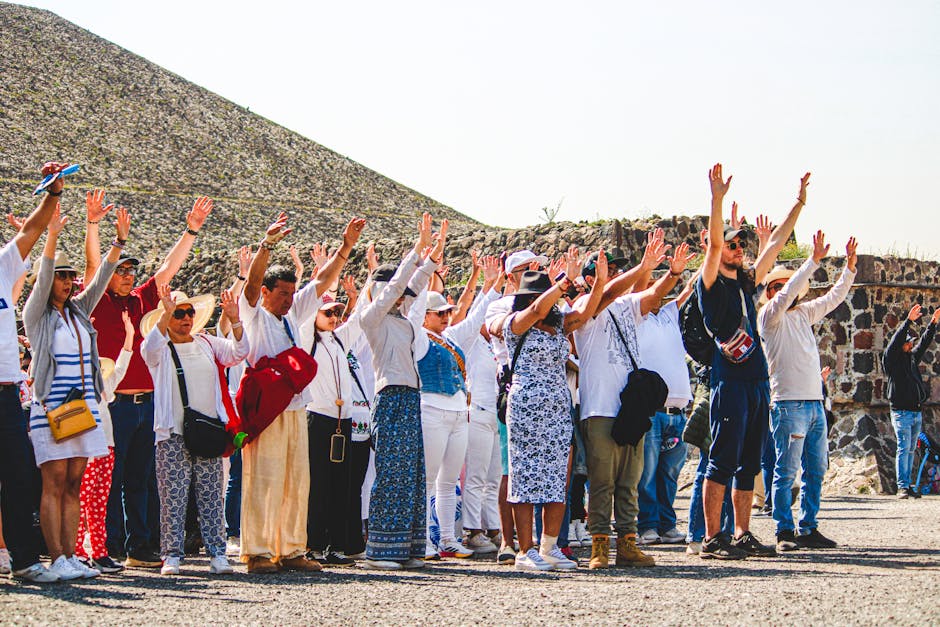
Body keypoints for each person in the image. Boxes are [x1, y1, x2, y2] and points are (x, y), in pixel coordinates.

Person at [87, 193, 214, 568]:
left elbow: (168, 269)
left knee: (142, 480)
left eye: (131, 271)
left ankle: (139, 546)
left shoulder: (140, 301)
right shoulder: (98, 300)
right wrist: (95, 226)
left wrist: (191, 231)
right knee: (111, 478)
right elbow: (94, 265)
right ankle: (109, 545)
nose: (128, 276)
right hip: (115, 404)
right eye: (121, 270)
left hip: (148, 402)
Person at [696, 163, 810, 559]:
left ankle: (742, 532)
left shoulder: (745, 282)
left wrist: (798, 204)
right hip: (729, 379)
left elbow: (775, 244)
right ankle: (712, 538)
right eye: (733, 245)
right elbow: (713, 246)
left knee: (748, 464)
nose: (738, 249)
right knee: (721, 460)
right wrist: (716, 200)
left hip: (757, 379)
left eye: (740, 244)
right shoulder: (710, 282)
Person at [238, 212, 363, 574]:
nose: (289, 300)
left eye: (292, 294)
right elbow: (251, 284)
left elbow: (322, 282)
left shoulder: (293, 315)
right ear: (267, 293)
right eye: (282, 294)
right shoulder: (254, 313)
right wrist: (267, 245)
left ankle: (291, 549)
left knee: (296, 481)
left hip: (295, 407)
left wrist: (346, 247)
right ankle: (259, 552)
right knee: (264, 479)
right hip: (266, 409)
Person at [573, 237, 695, 570]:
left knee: (629, 481)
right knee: (602, 481)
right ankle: (599, 544)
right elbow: (607, 293)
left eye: (615, 270)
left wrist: (672, 273)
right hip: (599, 408)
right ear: (590, 277)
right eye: (606, 270)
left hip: (630, 408)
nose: (613, 275)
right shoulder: (584, 303)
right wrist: (642, 267)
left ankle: (627, 544)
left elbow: (654, 296)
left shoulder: (627, 305)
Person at [24, 203, 130, 580]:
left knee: (74, 484)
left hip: (84, 410)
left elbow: (100, 280)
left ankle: (71, 557)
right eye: (61, 277)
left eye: (70, 277)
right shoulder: (37, 315)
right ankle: (55, 557)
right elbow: (41, 282)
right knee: (53, 483)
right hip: (52, 409)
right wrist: (51, 236)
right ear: (47, 280)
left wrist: (118, 243)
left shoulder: (78, 312)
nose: (68, 283)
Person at [499, 249, 609, 572]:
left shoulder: (559, 324)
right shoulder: (514, 324)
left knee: (556, 478)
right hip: (526, 408)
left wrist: (599, 283)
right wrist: (561, 284)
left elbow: (586, 313)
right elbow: (535, 309)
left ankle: (549, 547)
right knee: (524, 478)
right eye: (538, 295)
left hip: (558, 409)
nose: (544, 302)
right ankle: (525, 551)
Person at [758, 231, 857, 551]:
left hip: (815, 404)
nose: (779, 290)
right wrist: (813, 261)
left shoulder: (802, 314)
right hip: (788, 405)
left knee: (816, 471)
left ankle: (808, 527)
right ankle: (784, 530)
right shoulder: (768, 318)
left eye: (782, 285)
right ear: (767, 294)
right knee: (786, 472)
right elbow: (787, 294)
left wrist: (850, 269)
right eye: (773, 287)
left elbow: (833, 298)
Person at [141, 285, 248, 575]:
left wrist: (235, 320)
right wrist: (164, 315)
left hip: (208, 430)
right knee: (172, 498)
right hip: (172, 433)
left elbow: (239, 352)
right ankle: (171, 555)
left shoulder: (206, 343)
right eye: (179, 314)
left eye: (189, 312)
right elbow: (148, 349)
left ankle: (218, 554)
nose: (186, 318)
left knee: (211, 495)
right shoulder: (160, 349)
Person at [360, 213, 443, 570]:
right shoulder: (371, 318)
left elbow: (414, 287)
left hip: (410, 398)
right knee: (392, 472)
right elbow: (396, 288)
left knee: (410, 474)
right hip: (391, 397)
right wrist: (416, 249)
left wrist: (432, 259)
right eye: (394, 293)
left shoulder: (402, 320)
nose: (400, 298)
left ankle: (406, 547)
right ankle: (380, 551)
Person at [1, 163, 68, 583]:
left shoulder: (3, 265)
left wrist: (54, 194)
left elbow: (31, 230)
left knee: (20, 477)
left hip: (7, 391)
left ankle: (24, 561)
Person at [413, 255, 500, 560]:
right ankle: (423, 539)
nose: (446, 317)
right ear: (424, 316)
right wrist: (426, 271)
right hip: (431, 410)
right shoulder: (418, 339)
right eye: (439, 313)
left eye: (447, 312)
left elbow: (475, 320)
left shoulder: (450, 337)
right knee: (427, 480)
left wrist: (492, 285)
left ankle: (448, 538)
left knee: (448, 481)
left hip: (458, 413)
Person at [300, 293, 363, 567]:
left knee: (341, 485)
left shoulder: (339, 339)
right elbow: (304, 311)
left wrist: (372, 281)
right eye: (328, 313)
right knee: (318, 485)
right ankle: (313, 545)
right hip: (318, 418)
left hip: (343, 420)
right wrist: (323, 284)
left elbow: (360, 316)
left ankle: (336, 546)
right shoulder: (307, 339)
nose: (334, 318)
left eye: (337, 313)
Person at [635, 271, 698, 546]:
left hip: (677, 412)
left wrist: (713, 254)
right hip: (652, 411)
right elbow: (637, 290)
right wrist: (647, 268)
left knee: (670, 474)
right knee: (646, 474)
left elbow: (691, 288)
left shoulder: (669, 315)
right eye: (652, 289)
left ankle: (667, 524)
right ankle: (647, 525)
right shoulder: (636, 318)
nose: (657, 293)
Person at [73, 311, 134, 574]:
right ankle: (77, 551)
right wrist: (85, 334)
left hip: (106, 447)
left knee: (99, 502)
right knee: (81, 500)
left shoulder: (104, 383)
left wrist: (130, 336)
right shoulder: (77, 378)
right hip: (85, 446)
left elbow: (120, 368)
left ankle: (99, 552)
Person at [883, 303, 939, 499]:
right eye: (907, 342)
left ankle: (908, 485)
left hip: (915, 412)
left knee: (910, 450)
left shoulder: (912, 359)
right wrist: (908, 321)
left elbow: (923, 343)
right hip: (901, 412)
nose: (910, 345)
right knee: (903, 447)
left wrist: (933, 324)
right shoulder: (891, 361)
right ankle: (902, 486)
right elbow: (895, 342)